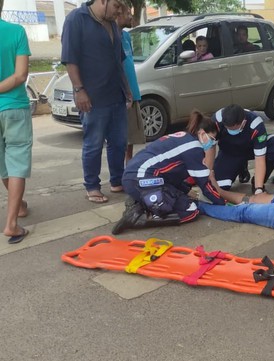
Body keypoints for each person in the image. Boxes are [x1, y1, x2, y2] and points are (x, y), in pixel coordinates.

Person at [61, 0, 131, 203]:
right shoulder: (76, 19)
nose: (119, 11)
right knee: (93, 143)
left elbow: (119, 60)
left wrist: (126, 89)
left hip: (116, 94)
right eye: (117, 5)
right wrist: (79, 90)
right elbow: (70, 59)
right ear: (103, 1)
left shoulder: (113, 24)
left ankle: (117, 181)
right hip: (92, 97)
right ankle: (92, 186)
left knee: (119, 142)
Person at [112, 111, 225, 234]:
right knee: (190, 210)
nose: (212, 144)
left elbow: (170, 175)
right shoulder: (193, 148)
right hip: (141, 179)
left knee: (179, 196)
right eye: (212, 139)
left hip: (133, 177)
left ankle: (140, 201)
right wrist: (221, 203)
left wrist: (186, 190)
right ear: (202, 133)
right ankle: (139, 218)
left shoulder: (184, 137)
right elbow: (205, 183)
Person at [0, 6, 33, 244]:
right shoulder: (16, 31)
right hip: (14, 106)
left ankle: (19, 205)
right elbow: (21, 75)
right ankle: (11, 224)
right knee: (16, 161)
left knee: (3, 163)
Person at [211, 104, 274, 195]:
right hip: (229, 152)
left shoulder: (256, 124)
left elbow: (260, 159)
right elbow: (210, 148)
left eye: (234, 128)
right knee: (219, 187)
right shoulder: (217, 120)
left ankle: (256, 181)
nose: (231, 131)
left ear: (243, 122)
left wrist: (259, 189)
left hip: (250, 149)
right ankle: (241, 167)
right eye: (228, 128)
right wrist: (209, 172)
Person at [117, 3, 145, 163]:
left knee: (132, 135)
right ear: (118, 14)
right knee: (121, 136)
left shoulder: (126, 36)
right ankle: (120, 171)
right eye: (128, 13)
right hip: (120, 94)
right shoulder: (110, 36)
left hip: (133, 92)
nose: (131, 17)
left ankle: (129, 165)